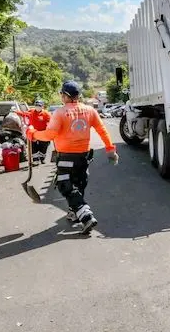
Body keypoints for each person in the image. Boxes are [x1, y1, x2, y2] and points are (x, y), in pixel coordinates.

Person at [27, 81, 119, 234]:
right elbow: (102, 130)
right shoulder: (90, 110)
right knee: (79, 182)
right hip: (83, 156)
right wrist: (110, 149)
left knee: (65, 185)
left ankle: (85, 214)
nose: (61, 97)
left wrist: (33, 134)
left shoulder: (60, 113)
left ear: (66, 96)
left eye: (62, 94)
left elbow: (50, 135)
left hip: (66, 156)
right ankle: (73, 211)